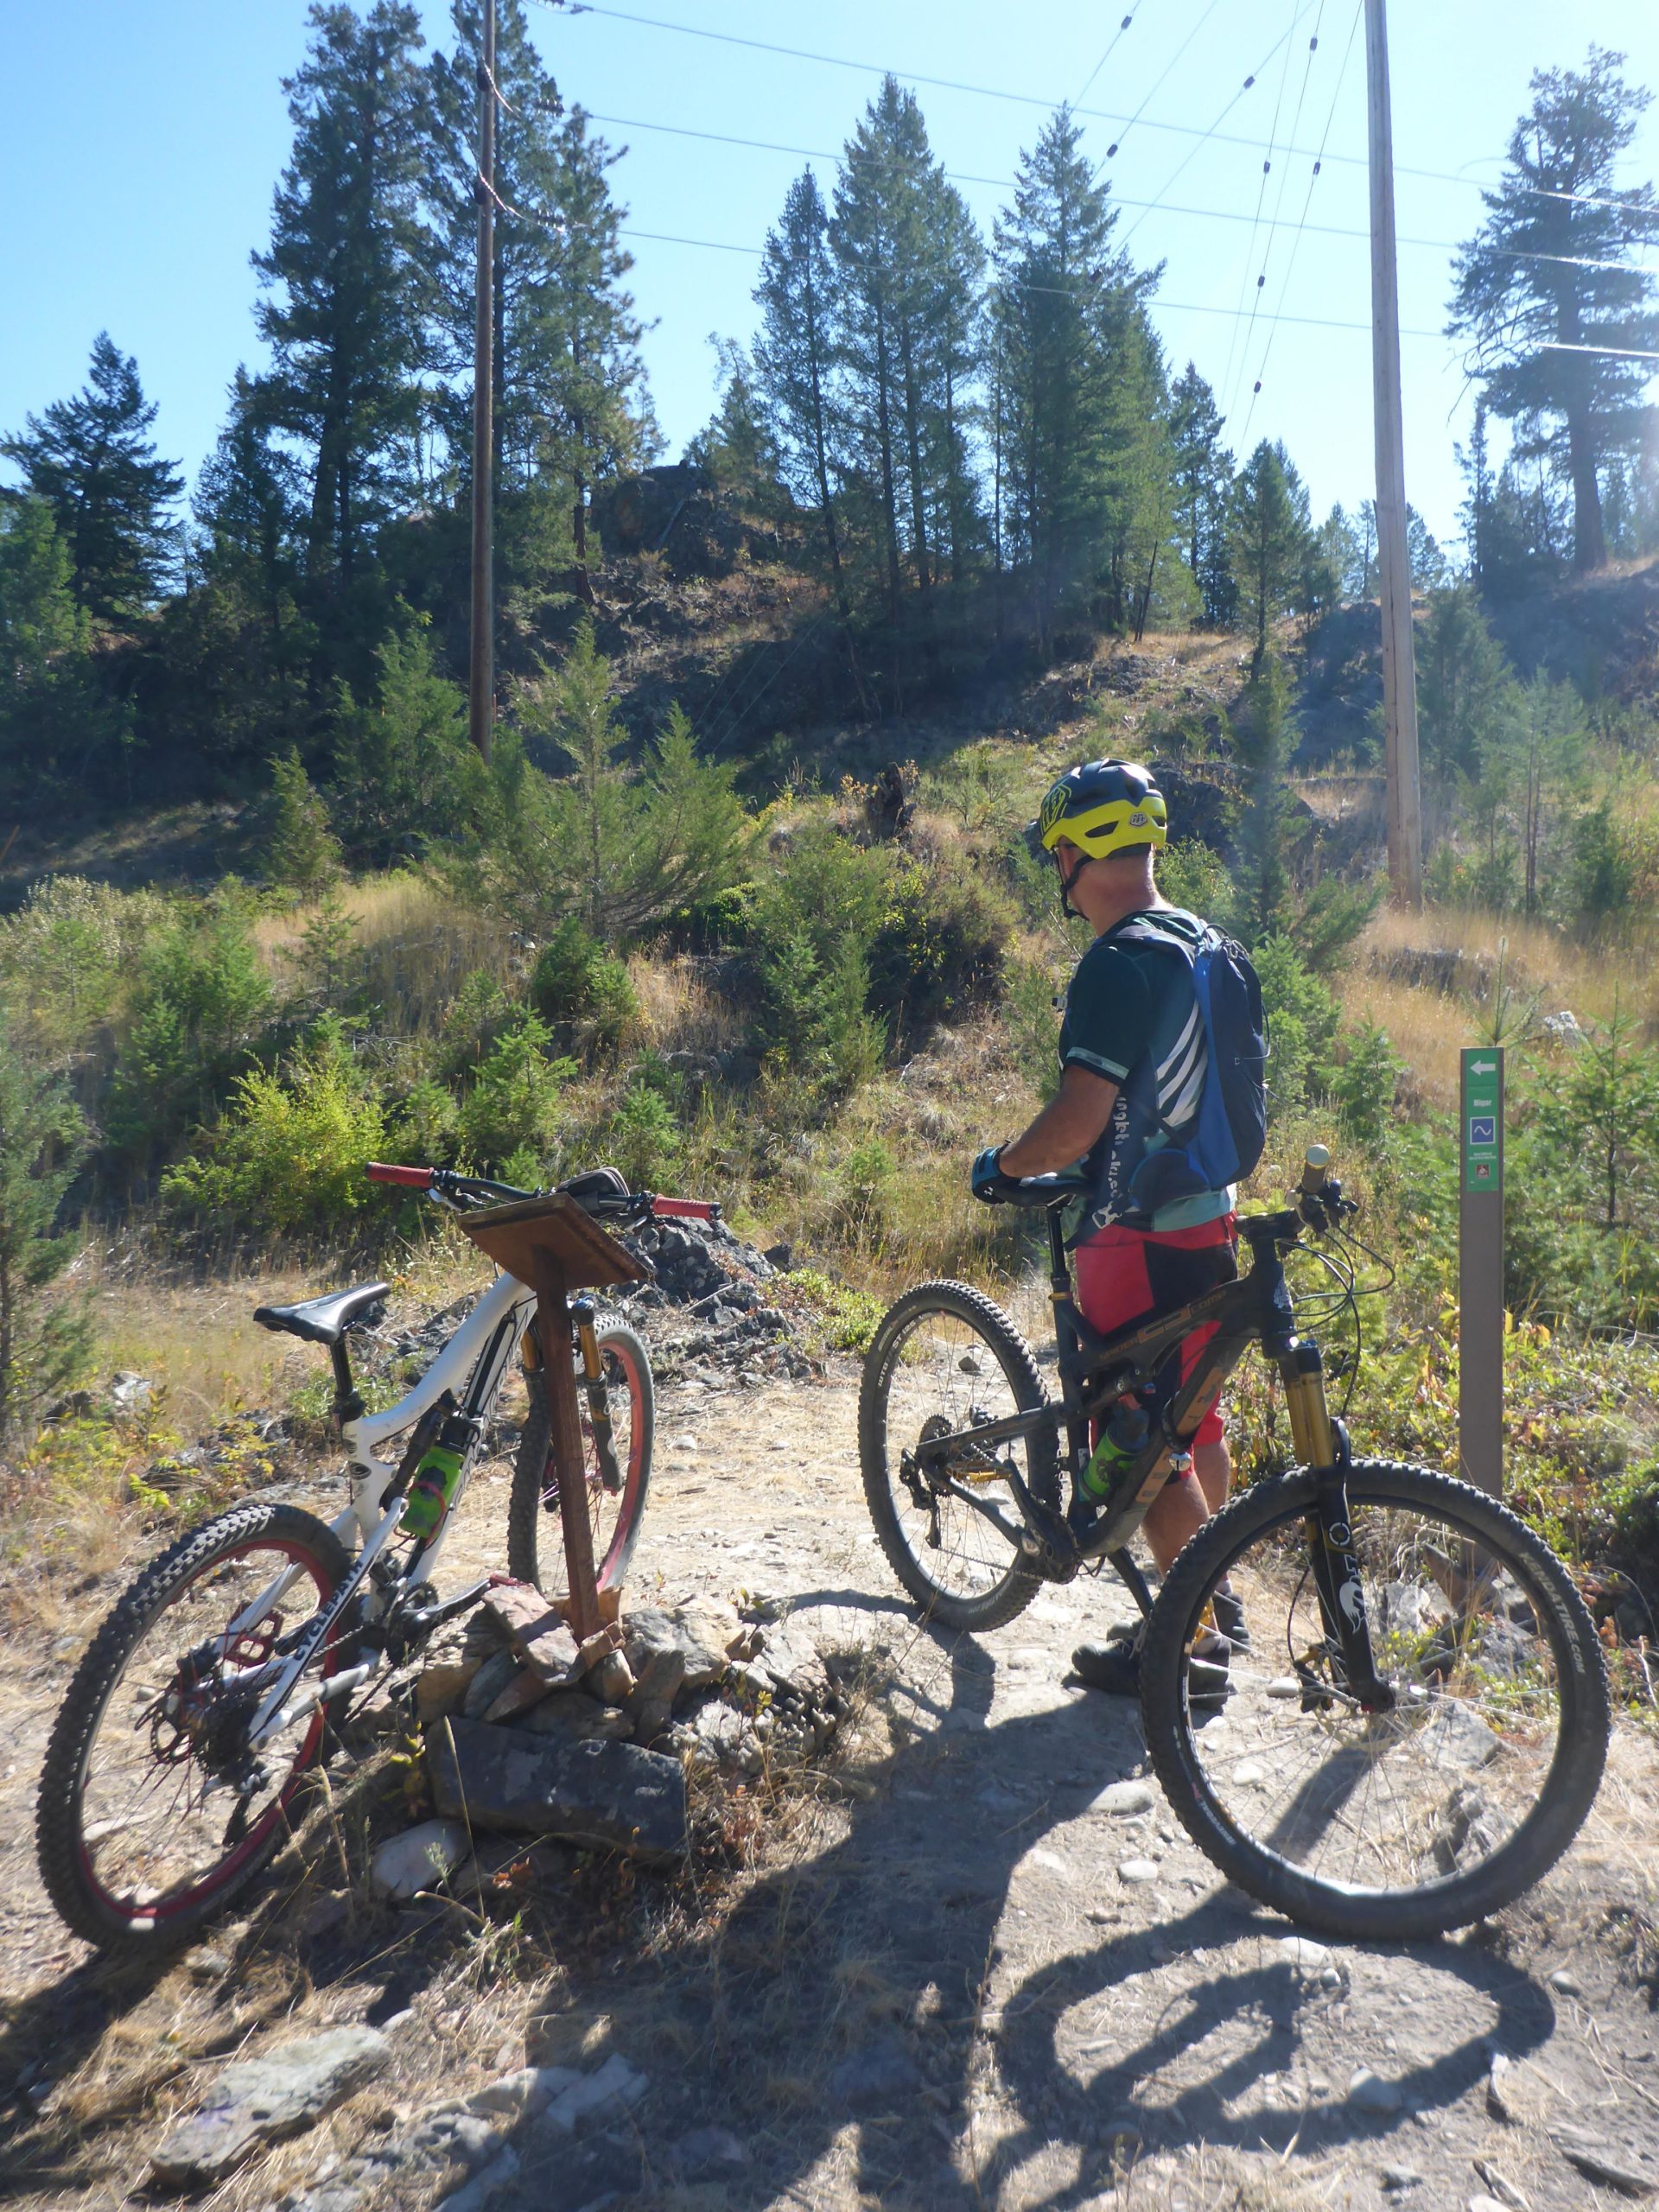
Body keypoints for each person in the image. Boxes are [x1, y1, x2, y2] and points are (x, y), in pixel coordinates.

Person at [971, 758, 1243, 1697]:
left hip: (1132, 1231)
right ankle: (1210, 1595)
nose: (1060, 873)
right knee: (1193, 1414)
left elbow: (1081, 1118)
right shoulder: (1212, 944)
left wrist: (1003, 1165)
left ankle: (1190, 1643)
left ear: (1075, 854)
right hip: (1213, 1216)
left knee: (1141, 1435)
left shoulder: (1120, 959)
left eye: (1058, 853)